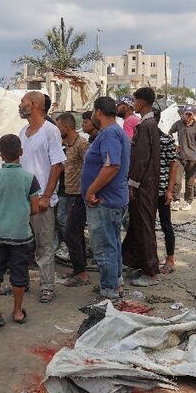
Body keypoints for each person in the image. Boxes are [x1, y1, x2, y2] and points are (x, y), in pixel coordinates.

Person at [0, 134, 40, 327]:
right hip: (20, 235)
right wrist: (19, 210)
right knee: (19, 273)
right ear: (20, 152)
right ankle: (16, 312)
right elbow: (36, 208)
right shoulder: (30, 178)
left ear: (1, 155)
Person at [18, 91, 65, 304]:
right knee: (21, 244)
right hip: (23, 200)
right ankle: (21, 282)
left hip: (41, 199)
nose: (20, 105)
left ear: (35, 104)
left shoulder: (50, 131)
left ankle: (47, 286)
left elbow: (57, 165)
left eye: (23, 102)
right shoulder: (23, 131)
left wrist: (47, 195)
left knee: (44, 246)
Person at [82, 97, 130, 300]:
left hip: (104, 200)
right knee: (113, 243)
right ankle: (115, 284)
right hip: (112, 199)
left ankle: (109, 291)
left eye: (93, 111)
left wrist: (91, 191)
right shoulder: (116, 132)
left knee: (104, 247)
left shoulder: (110, 133)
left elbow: (111, 166)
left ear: (98, 112)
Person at [122, 87, 160, 287]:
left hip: (144, 185)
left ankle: (151, 271)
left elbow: (141, 159)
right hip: (147, 184)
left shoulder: (145, 126)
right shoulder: (149, 124)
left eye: (135, 101)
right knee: (137, 225)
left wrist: (132, 183)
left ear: (142, 103)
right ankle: (137, 263)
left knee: (145, 227)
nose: (133, 104)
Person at [55, 112, 90, 287]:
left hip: (79, 194)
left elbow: (91, 166)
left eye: (58, 126)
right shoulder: (67, 144)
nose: (57, 129)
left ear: (67, 127)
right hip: (70, 193)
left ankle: (81, 274)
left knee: (70, 233)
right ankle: (79, 269)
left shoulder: (81, 144)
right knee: (76, 233)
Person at [168, 107, 196, 211]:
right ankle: (176, 200)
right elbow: (170, 132)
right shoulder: (179, 124)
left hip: (192, 158)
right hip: (180, 157)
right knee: (176, 180)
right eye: (186, 114)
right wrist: (174, 144)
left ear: (193, 115)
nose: (188, 116)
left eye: (190, 114)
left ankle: (188, 201)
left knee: (190, 183)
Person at [157, 126, 181, 274]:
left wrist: (170, 190)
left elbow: (173, 164)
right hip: (147, 191)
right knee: (147, 226)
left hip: (162, 189)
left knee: (166, 224)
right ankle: (151, 257)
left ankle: (170, 258)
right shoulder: (143, 137)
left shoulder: (166, 140)